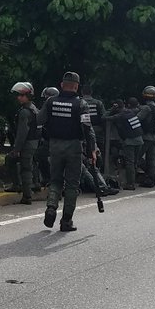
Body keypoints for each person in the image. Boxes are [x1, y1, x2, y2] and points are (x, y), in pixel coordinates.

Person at [42, 71, 91, 232]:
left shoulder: (50, 102)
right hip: (74, 147)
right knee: (72, 184)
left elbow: (39, 120)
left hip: (55, 145)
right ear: (76, 87)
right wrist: (92, 150)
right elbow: (87, 128)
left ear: (62, 85)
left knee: (55, 180)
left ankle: (51, 206)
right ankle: (66, 221)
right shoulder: (81, 104)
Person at [6, 82, 39, 204]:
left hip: (27, 143)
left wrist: (17, 149)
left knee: (25, 169)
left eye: (21, 95)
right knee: (29, 166)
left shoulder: (25, 112)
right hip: (34, 142)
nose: (18, 97)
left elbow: (22, 133)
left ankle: (26, 196)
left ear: (28, 96)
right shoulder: (34, 109)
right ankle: (32, 186)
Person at [111, 98, 144, 190]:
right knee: (135, 162)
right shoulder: (131, 112)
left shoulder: (120, 115)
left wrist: (111, 110)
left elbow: (105, 117)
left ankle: (130, 183)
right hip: (139, 139)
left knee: (130, 162)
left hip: (130, 141)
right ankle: (135, 180)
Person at [137, 86, 155, 187]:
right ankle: (153, 178)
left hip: (146, 137)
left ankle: (148, 177)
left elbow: (137, 118)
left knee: (137, 158)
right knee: (151, 159)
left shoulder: (147, 108)